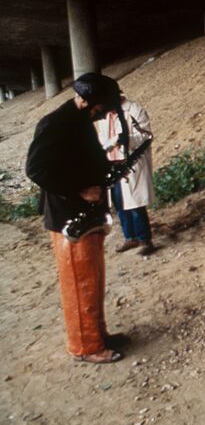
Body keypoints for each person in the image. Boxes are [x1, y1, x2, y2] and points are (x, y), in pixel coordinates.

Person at [26, 72, 131, 364]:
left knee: (92, 278)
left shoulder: (79, 120)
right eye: (101, 106)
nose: (105, 112)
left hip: (86, 213)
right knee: (78, 281)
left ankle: (97, 334)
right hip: (68, 213)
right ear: (85, 101)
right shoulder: (54, 124)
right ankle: (85, 346)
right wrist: (81, 190)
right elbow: (36, 170)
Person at [95, 96, 155, 255]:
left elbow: (146, 136)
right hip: (112, 164)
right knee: (119, 203)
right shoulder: (103, 115)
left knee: (135, 204)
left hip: (131, 163)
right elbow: (102, 139)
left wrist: (125, 140)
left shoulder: (134, 110)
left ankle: (145, 240)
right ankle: (130, 237)